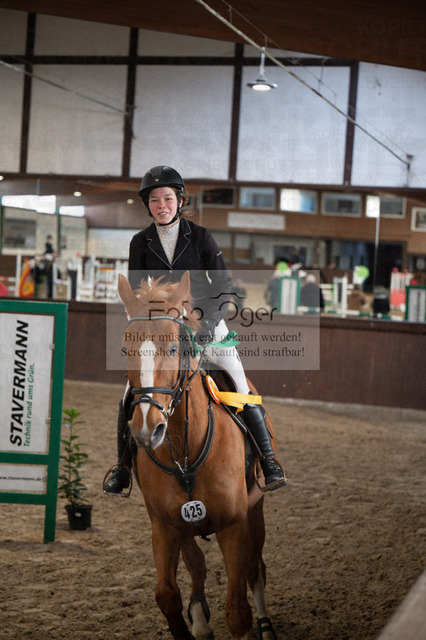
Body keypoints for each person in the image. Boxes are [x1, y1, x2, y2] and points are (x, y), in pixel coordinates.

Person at [104, 165, 286, 495]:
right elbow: (137, 293)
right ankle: (123, 467)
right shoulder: (139, 242)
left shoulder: (200, 236)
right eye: (155, 200)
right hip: (162, 330)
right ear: (147, 205)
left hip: (205, 324)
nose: (162, 206)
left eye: (167, 198)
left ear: (180, 200)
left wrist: (207, 327)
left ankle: (267, 459)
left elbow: (224, 285)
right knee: (130, 393)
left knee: (239, 382)